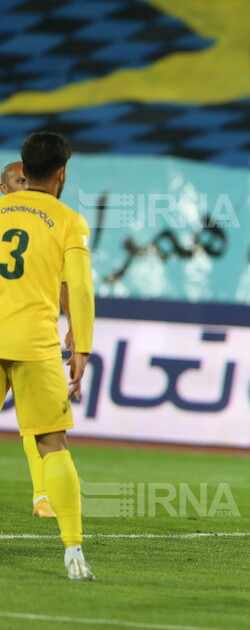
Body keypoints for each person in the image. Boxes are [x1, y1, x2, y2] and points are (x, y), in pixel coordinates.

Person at [0, 132, 95, 580]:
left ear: (23, 166)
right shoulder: (69, 220)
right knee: (52, 444)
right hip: (37, 345)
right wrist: (84, 345)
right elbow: (78, 287)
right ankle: (73, 551)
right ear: (61, 173)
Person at [1, 160, 73, 519]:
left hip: (32, 339)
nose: (25, 185)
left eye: (29, 180)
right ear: (3, 189)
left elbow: (65, 282)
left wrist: (76, 324)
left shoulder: (50, 227)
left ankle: (43, 497)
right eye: (18, 180)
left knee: (40, 426)